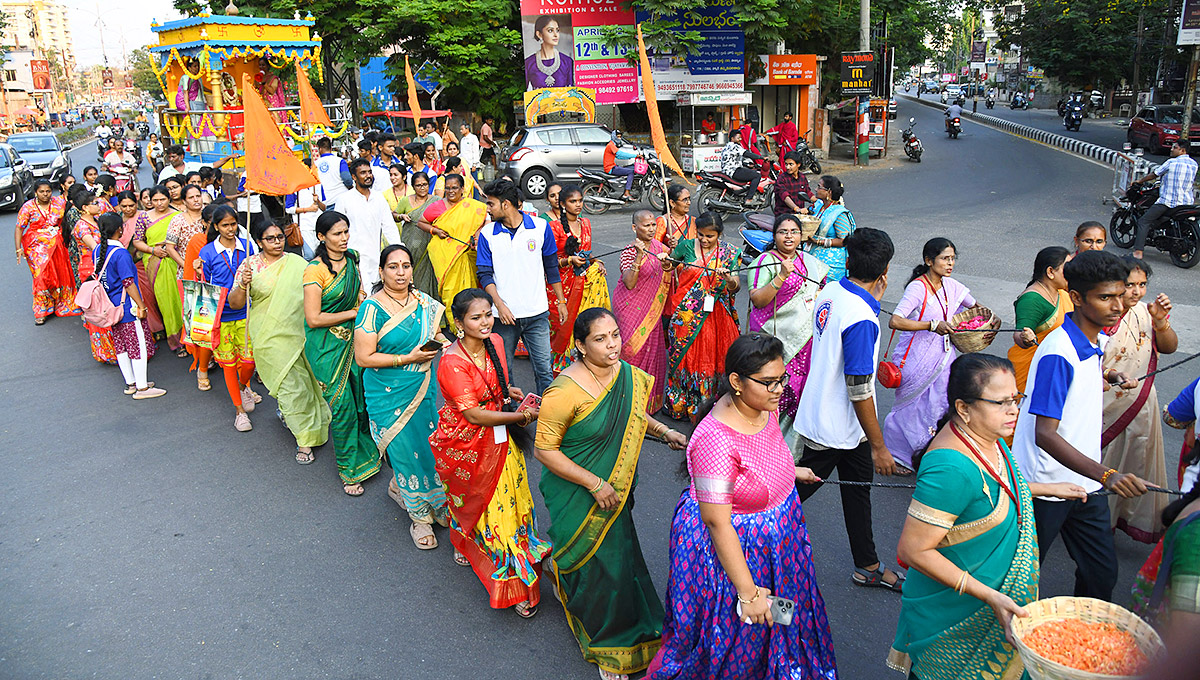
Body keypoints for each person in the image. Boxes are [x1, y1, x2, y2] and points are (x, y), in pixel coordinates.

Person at [648, 333, 836, 680]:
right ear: (736, 381)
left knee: (781, 617)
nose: (780, 389)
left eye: (782, 379)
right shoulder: (715, 440)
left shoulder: (761, 403)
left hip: (777, 543)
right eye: (769, 382)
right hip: (735, 552)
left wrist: (789, 471)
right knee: (742, 632)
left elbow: (758, 456)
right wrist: (748, 594)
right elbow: (718, 523)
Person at [889, 354, 1087, 680]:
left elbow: (993, 486)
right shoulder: (950, 467)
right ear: (963, 408)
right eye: (1001, 402)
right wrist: (990, 595)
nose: (1014, 410)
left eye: (1015, 398)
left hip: (986, 607)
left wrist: (1044, 488)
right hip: (958, 617)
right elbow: (913, 550)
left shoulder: (986, 438)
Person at [536, 308, 687, 678]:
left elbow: (636, 415)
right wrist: (593, 483)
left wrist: (665, 432)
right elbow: (545, 450)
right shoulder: (564, 390)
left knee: (617, 561)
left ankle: (600, 608)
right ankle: (609, 647)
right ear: (581, 346)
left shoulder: (627, 377)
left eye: (615, 335)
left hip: (615, 491)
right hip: (580, 490)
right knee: (596, 563)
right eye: (600, 339)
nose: (612, 345)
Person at [1011, 250, 1151, 601]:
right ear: (1075, 297)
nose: (1117, 305)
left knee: (1101, 574)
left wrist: (1109, 373)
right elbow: (1045, 434)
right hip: (1045, 484)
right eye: (1105, 297)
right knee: (1020, 576)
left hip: (1085, 482)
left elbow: (1084, 373)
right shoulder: (1058, 352)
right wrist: (1108, 475)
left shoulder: (1095, 341)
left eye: (1120, 294)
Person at [793, 227, 906, 592]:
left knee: (858, 490)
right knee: (790, 497)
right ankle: (740, 536)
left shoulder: (833, 290)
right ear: (884, 272)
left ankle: (867, 565)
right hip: (837, 427)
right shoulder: (860, 316)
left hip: (838, 423)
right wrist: (879, 446)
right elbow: (858, 389)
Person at [430, 288, 550, 608]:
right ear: (459, 322)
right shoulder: (452, 362)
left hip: (500, 435)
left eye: (488, 315)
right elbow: (473, 414)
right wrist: (522, 416)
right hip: (468, 440)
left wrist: (508, 390)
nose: (485, 323)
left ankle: (518, 574)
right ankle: (468, 541)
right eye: (476, 317)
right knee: (473, 497)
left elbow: (496, 380)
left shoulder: (495, 341)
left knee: (507, 504)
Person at [354, 244, 451, 546]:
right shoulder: (371, 309)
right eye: (393, 266)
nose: (400, 272)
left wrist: (442, 342)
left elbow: (434, 334)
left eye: (406, 266)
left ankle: (422, 495)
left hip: (422, 388)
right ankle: (419, 518)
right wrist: (407, 359)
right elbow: (363, 358)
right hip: (387, 392)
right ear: (381, 271)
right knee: (403, 449)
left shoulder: (424, 302)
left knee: (427, 444)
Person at [228, 221, 331, 462]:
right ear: (259, 242)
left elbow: (317, 291)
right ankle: (305, 440)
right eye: (270, 238)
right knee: (289, 387)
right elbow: (234, 303)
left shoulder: (296, 263)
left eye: (279, 237)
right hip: (267, 337)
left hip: (298, 333)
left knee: (303, 383)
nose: (277, 242)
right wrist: (243, 284)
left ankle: (303, 426)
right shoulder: (249, 266)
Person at [882, 238, 980, 472]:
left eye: (953, 258)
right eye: (945, 258)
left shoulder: (952, 286)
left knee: (939, 407)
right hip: (916, 361)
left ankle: (929, 455)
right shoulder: (918, 287)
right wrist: (931, 325)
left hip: (945, 359)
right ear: (929, 261)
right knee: (912, 409)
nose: (950, 263)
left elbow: (977, 308)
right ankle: (900, 457)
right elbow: (895, 320)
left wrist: (984, 323)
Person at [1101, 257, 1178, 543]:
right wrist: (1111, 375)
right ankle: (1096, 524)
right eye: (1129, 285)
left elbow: (1169, 347)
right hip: (1106, 406)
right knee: (1105, 466)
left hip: (1141, 404)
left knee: (1136, 462)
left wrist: (1160, 322)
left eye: (1142, 285)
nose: (1135, 291)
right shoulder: (1103, 314)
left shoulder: (1146, 313)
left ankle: (1127, 516)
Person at [303, 211, 379, 496]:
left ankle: (368, 455)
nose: (344, 238)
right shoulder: (315, 270)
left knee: (362, 399)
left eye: (346, 231)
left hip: (355, 340)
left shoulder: (353, 259)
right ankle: (349, 471)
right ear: (322, 237)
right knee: (343, 406)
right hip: (325, 346)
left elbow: (358, 291)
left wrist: (362, 302)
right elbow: (313, 318)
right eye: (337, 233)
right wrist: (353, 312)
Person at [477, 179, 565, 394]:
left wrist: (561, 301)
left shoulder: (540, 227)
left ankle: (548, 415)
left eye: (491, 204)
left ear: (505, 204)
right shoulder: (487, 234)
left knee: (544, 370)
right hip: (503, 317)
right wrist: (500, 306)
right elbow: (484, 275)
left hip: (537, 314)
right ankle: (512, 419)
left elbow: (551, 267)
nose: (488, 209)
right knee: (504, 372)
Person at [747, 213, 828, 433]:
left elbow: (822, 290)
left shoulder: (809, 262)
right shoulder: (766, 261)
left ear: (802, 236)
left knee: (800, 391)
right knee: (773, 391)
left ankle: (790, 448)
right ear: (775, 235)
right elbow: (758, 300)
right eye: (783, 232)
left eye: (794, 232)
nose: (789, 236)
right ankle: (762, 437)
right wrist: (780, 276)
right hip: (775, 340)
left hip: (806, 341)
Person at [664, 212, 741, 420]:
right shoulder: (686, 246)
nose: (705, 240)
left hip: (718, 316)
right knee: (685, 357)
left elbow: (735, 287)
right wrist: (665, 259)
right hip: (687, 314)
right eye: (701, 235)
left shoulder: (729, 253)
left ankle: (713, 404)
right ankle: (683, 404)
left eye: (710, 236)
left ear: (719, 235)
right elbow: (669, 265)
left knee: (716, 357)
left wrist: (728, 280)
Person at [194, 203, 261, 432]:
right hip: (221, 316)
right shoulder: (208, 252)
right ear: (216, 226)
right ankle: (240, 411)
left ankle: (244, 387)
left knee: (249, 362)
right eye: (225, 225)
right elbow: (205, 286)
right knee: (229, 364)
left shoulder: (248, 246)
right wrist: (197, 270)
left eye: (233, 224)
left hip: (246, 312)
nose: (231, 229)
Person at [92, 213, 166, 400]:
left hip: (110, 306)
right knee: (138, 345)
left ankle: (131, 383)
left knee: (121, 345)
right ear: (120, 230)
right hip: (127, 307)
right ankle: (142, 387)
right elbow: (128, 282)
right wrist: (141, 305)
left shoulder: (97, 250)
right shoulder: (121, 254)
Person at [613, 210, 673, 414]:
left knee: (652, 351)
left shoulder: (660, 248)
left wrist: (669, 264)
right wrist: (639, 255)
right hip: (630, 308)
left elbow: (669, 275)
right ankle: (625, 401)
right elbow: (629, 283)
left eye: (653, 225)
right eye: (646, 225)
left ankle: (646, 404)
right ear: (634, 228)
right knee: (630, 350)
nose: (651, 229)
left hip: (651, 313)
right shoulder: (629, 251)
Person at [547, 184, 611, 373]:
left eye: (580, 201)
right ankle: (561, 368)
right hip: (562, 285)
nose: (578, 205)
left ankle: (586, 361)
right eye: (572, 201)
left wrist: (596, 261)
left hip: (585, 282)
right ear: (563, 204)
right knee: (563, 327)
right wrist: (570, 260)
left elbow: (587, 254)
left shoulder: (586, 224)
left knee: (586, 325)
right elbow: (550, 262)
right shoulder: (554, 228)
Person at [420, 173, 485, 330]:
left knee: (470, 292)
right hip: (444, 256)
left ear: (462, 189)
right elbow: (421, 222)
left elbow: (484, 222)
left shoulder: (473, 206)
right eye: (447, 188)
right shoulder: (437, 206)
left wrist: (476, 236)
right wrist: (435, 231)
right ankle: (457, 327)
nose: (451, 191)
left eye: (455, 188)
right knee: (450, 292)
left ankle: (472, 324)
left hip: (467, 254)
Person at [1008, 246, 1072, 393]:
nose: (1072, 273)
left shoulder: (1061, 293)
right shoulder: (1031, 299)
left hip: (1054, 366)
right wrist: (1026, 338)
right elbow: (1019, 334)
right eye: (1067, 269)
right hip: (1031, 369)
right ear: (1050, 272)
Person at [13, 179, 77, 325]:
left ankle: (62, 303)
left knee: (61, 274)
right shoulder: (28, 207)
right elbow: (19, 228)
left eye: (48, 191)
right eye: (41, 192)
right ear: (36, 192)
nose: (45, 194)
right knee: (41, 275)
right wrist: (18, 248)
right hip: (37, 246)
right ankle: (42, 309)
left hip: (59, 244)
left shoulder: (58, 203)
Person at [340, 158, 402, 292]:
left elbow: (389, 227)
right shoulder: (345, 199)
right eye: (363, 173)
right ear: (353, 177)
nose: (368, 176)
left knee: (375, 294)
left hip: (375, 258)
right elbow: (337, 230)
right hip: (352, 258)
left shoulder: (378, 198)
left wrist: (398, 251)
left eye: (369, 172)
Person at [70, 190, 117, 363]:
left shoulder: (96, 221)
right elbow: (96, 248)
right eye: (95, 203)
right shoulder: (82, 226)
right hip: (92, 268)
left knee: (109, 305)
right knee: (99, 309)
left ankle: (116, 347)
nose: (99, 206)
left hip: (102, 266)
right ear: (85, 208)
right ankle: (106, 351)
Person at [1131, 140, 1198, 259]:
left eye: (1175, 147)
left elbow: (1155, 174)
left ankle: (1138, 252)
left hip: (1168, 201)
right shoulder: (1194, 164)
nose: (1171, 149)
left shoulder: (1171, 162)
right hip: (1186, 202)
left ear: (1182, 150)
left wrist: (1139, 181)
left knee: (1144, 221)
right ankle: (1183, 252)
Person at [129, 185, 176, 343]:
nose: (159, 203)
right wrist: (152, 250)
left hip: (176, 261)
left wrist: (171, 250)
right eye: (155, 200)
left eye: (163, 199)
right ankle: (174, 338)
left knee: (180, 299)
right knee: (165, 300)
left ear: (169, 199)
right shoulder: (144, 217)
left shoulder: (177, 216)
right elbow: (137, 241)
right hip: (154, 261)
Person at [804, 175, 856, 281]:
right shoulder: (819, 206)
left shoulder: (839, 213)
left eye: (819, 187)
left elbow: (845, 240)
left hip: (831, 265)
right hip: (813, 258)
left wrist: (819, 242)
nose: (816, 189)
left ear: (829, 192)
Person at [394, 171, 438, 295]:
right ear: (413, 187)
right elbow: (394, 214)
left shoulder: (436, 201)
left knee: (430, 273)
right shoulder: (405, 201)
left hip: (430, 243)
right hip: (412, 242)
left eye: (425, 184)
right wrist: (401, 216)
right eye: (418, 185)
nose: (422, 188)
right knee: (412, 268)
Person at [524, 15, 574, 89]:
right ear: (539, 34)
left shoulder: (567, 61)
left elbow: (571, 92)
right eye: (550, 30)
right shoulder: (529, 63)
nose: (555, 35)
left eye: (557, 30)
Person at [284, 182, 326, 260]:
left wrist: (318, 201)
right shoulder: (294, 187)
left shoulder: (318, 185)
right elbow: (288, 209)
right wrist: (308, 209)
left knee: (320, 254)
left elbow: (324, 207)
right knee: (309, 255)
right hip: (304, 226)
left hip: (318, 225)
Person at [314, 136, 352, 209]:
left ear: (320, 149)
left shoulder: (315, 164)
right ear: (331, 149)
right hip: (342, 198)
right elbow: (347, 179)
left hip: (326, 201)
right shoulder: (340, 161)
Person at [653, 184, 695, 249]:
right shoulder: (662, 222)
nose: (689, 202)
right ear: (672, 203)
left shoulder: (693, 221)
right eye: (685, 200)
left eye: (689, 199)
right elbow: (655, 248)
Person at [603, 130, 636, 200]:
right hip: (610, 168)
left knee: (628, 168)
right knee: (631, 172)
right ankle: (626, 193)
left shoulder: (612, 144)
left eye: (620, 137)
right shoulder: (611, 145)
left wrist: (631, 157)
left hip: (612, 166)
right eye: (618, 137)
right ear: (614, 136)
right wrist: (635, 155)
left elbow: (619, 157)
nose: (619, 138)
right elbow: (620, 154)